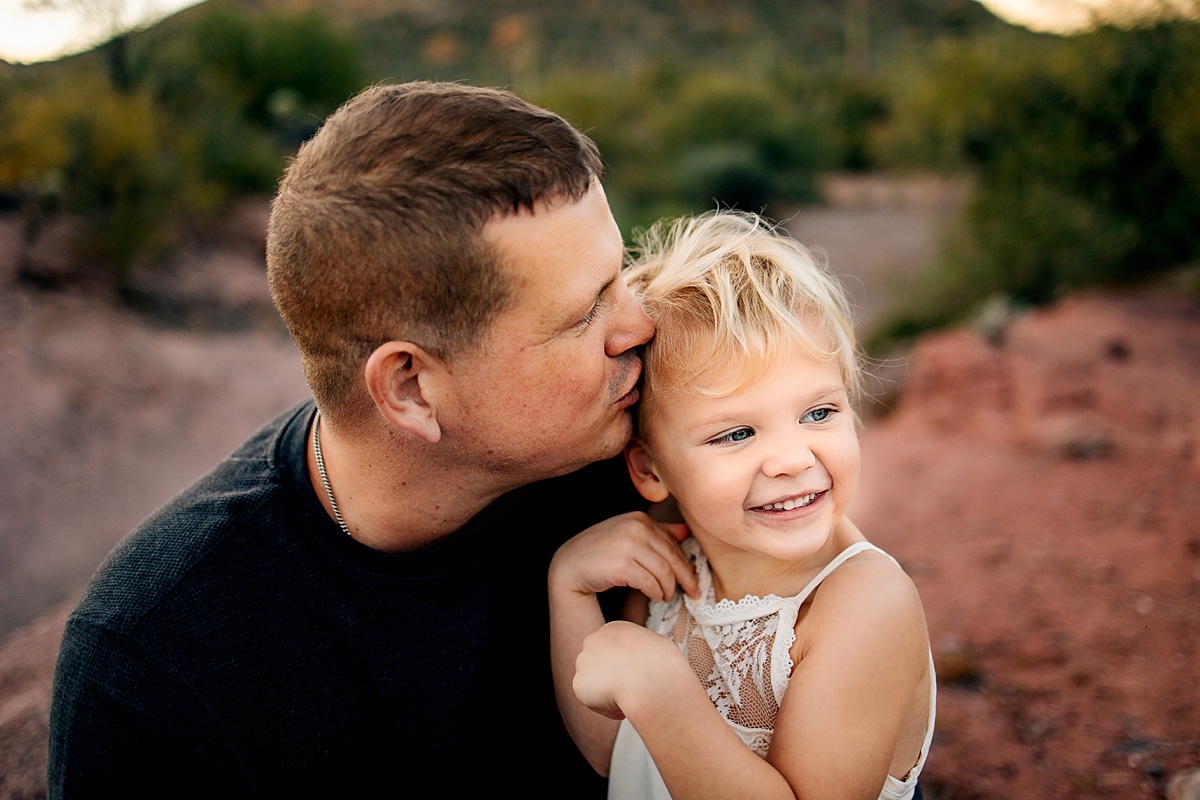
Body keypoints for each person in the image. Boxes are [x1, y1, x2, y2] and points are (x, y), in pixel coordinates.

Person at [48, 81, 658, 797]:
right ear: (409, 388)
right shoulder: (156, 666)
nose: (639, 323)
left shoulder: (645, 455)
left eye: (623, 274)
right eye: (588, 311)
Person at [548, 211, 936, 800]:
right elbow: (610, 753)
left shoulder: (865, 604)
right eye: (735, 434)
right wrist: (569, 587)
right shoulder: (672, 568)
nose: (790, 459)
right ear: (650, 470)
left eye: (818, 413)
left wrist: (662, 692)